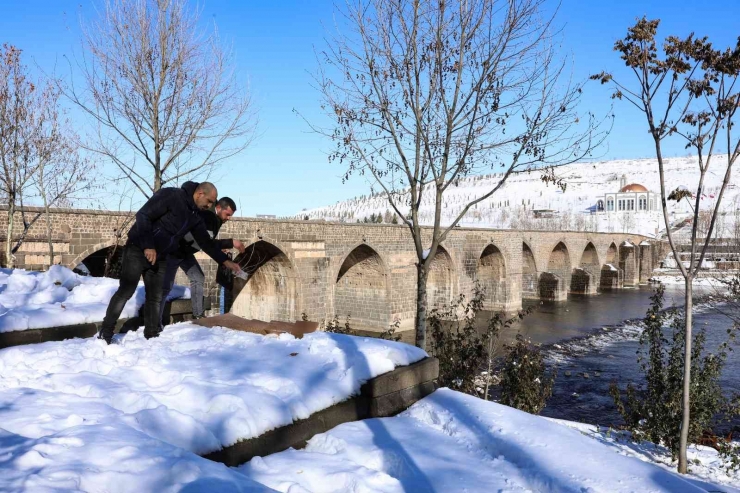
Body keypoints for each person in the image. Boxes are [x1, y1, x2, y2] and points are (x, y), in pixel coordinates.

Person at [97, 181, 241, 344]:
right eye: (209, 201)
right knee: (126, 290)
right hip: (138, 248)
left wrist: (225, 261)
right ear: (200, 194)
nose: (210, 206)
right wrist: (148, 245)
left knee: (156, 296)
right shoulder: (171, 195)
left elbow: (205, 242)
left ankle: (151, 335)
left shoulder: (195, 214)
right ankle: (106, 332)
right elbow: (143, 215)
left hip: (162, 254)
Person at [158, 196, 245, 325]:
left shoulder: (215, 219)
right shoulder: (208, 217)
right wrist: (230, 244)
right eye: (227, 214)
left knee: (198, 277)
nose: (228, 218)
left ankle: (198, 315)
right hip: (174, 250)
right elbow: (205, 242)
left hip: (185, 252)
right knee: (165, 286)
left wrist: (220, 248)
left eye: (230, 215)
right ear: (219, 208)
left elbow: (206, 241)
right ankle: (155, 321)